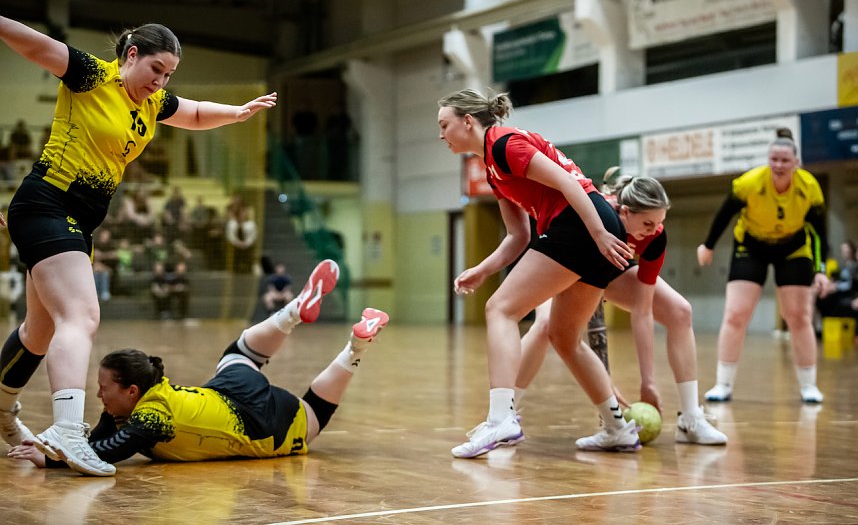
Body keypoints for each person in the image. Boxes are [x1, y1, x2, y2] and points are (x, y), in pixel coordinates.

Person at [0, 15, 277, 476]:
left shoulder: (151, 103)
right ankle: (67, 431)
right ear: (131, 55)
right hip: (47, 203)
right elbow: (34, 45)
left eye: (169, 75)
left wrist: (236, 113)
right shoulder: (91, 75)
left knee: (39, 332)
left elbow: (192, 113)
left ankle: (3, 412)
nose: (161, 82)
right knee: (82, 316)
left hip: (77, 221)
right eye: (156, 69)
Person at [7, 260, 391, 468]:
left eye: (104, 387)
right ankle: (292, 311)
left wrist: (52, 462)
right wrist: (52, 444)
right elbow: (98, 438)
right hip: (226, 393)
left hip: (261, 424)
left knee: (312, 417)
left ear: (132, 391)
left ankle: (357, 345)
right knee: (238, 355)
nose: (98, 394)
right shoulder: (141, 401)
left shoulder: (148, 419)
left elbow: (108, 452)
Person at [437, 88, 636, 459]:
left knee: (501, 310)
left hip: (581, 223)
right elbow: (519, 236)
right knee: (564, 337)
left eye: (444, 125)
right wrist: (482, 270)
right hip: (590, 224)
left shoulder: (504, 145)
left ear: (467, 121)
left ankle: (501, 420)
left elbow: (567, 182)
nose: (441, 134)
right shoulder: (491, 169)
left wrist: (597, 234)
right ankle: (617, 427)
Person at [515, 173, 727, 446]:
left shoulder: (653, 237)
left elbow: (642, 309)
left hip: (611, 266)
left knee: (680, 311)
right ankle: (505, 414)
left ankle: (691, 419)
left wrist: (648, 382)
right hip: (566, 257)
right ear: (625, 212)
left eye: (659, 223)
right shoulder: (598, 215)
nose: (653, 230)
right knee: (545, 326)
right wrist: (603, 381)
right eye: (648, 223)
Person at [697, 136, 829, 404]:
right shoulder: (749, 183)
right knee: (735, 314)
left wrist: (821, 269)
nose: (778, 165)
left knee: (799, 316)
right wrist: (708, 245)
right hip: (752, 246)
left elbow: (819, 232)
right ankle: (723, 384)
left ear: (796, 163)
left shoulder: (809, 187)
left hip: (793, 248)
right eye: (774, 160)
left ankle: (809, 386)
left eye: (784, 161)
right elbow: (725, 213)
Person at [816, 240, 858, 321]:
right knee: (823, 299)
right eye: (842, 250)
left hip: (849, 294)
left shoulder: (854, 266)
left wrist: (836, 286)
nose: (844, 252)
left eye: (846, 249)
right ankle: (829, 326)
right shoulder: (845, 266)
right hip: (847, 292)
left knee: (835, 302)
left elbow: (850, 284)